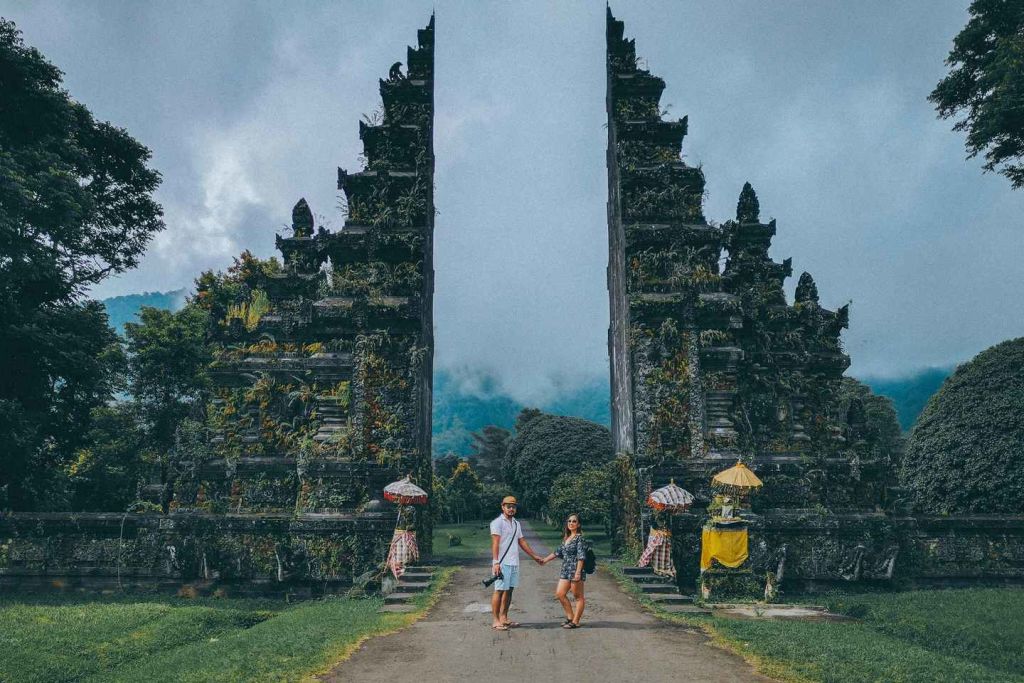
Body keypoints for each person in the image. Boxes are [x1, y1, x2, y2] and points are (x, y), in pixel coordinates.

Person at [490, 495, 544, 631]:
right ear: (503, 507)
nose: (511, 509)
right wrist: (496, 562)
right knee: (499, 590)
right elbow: (495, 543)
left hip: (514, 562)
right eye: (508, 506)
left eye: (513, 507)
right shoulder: (497, 523)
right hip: (502, 563)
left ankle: (504, 617)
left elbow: (522, 542)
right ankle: (496, 620)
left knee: (509, 590)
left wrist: (534, 556)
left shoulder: (516, 523)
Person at [540, 513, 588, 629]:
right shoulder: (567, 538)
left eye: (574, 521)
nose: (571, 523)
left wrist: (578, 572)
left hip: (575, 570)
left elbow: (581, 557)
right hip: (565, 570)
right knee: (560, 594)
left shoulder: (579, 538)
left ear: (578, 524)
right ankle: (570, 617)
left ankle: (576, 621)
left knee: (578, 597)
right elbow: (557, 552)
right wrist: (544, 560)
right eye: (569, 521)